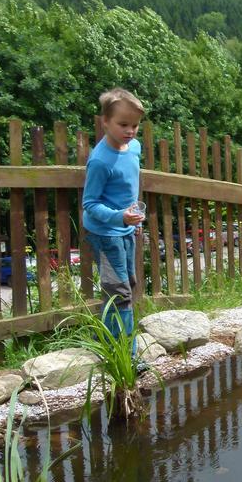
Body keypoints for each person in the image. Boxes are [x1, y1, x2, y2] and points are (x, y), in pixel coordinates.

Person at [82, 88, 146, 348]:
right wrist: (120, 218)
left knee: (125, 285)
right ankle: (126, 354)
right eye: (123, 124)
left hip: (126, 228)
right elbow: (90, 204)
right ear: (104, 122)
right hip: (105, 233)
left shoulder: (134, 148)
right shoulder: (100, 161)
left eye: (135, 125)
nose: (130, 131)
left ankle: (106, 339)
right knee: (119, 291)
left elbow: (128, 186)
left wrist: (132, 218)